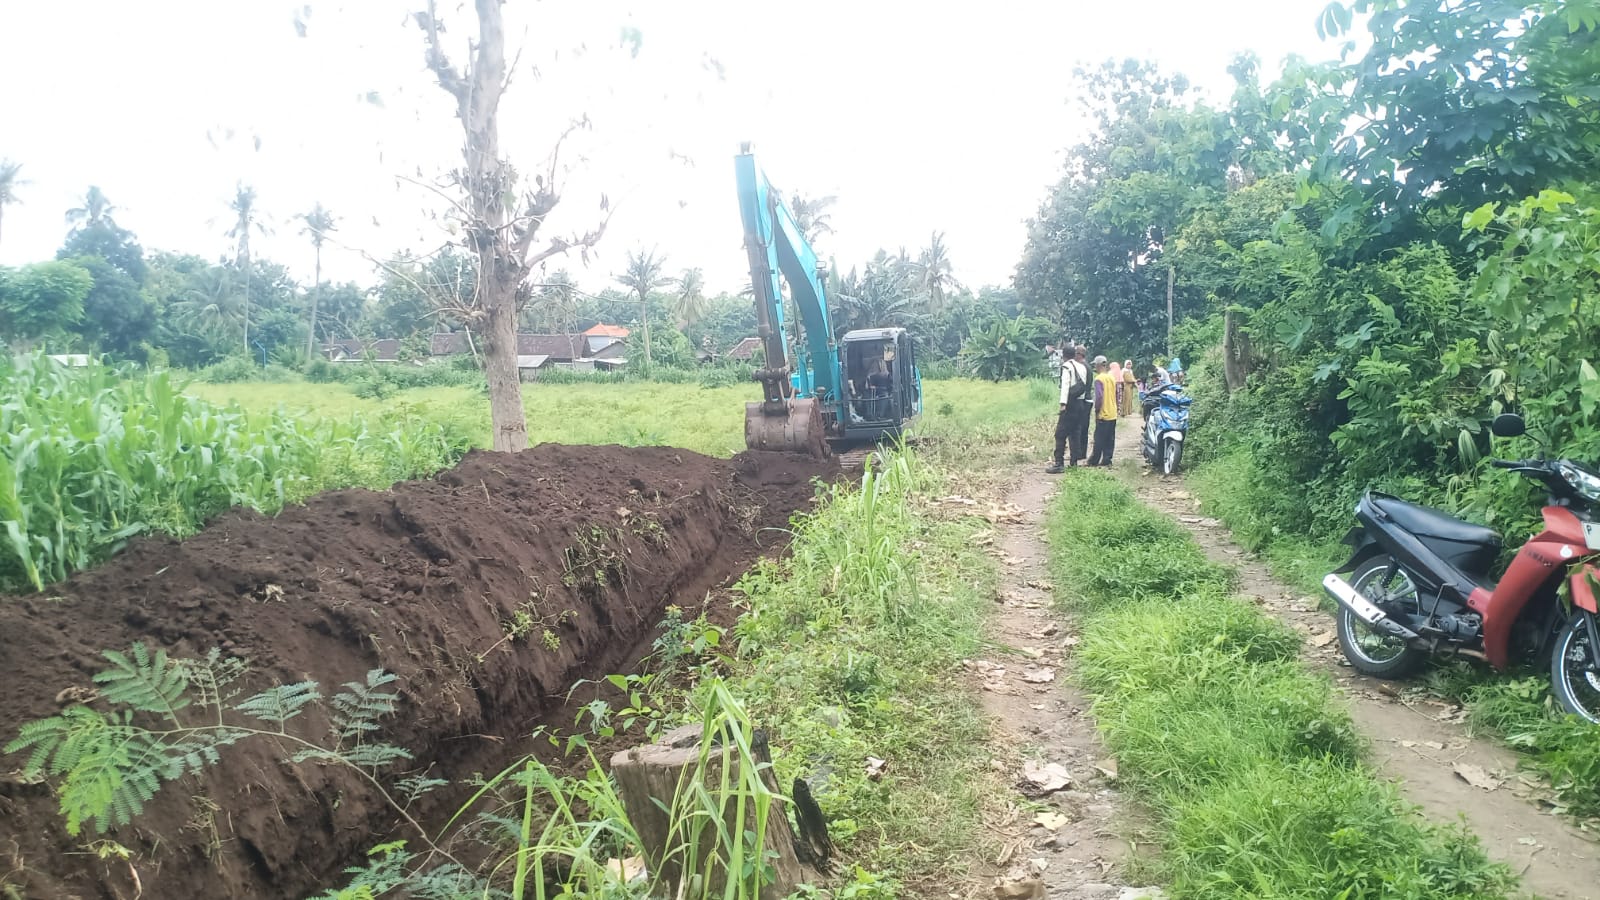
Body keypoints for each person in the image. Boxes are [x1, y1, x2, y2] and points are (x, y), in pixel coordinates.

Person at [1046, 344, 1091, 473]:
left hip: (1070, 404)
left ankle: (1059, 463)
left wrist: (1063, 404)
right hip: (1080, 404)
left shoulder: (1067, 367)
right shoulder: (1082, 367)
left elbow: (1065, 386)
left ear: (1063, 355)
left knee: (1060, 434)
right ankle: (1074, 462)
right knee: (1075, 433)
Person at [1086, 356, 1119, 466]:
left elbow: (1099, 397)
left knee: (1099, 438)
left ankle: (1094, 460)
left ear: (1098, 365)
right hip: (1112, 413)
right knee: (1110, 438)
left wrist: (1097, 410)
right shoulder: (1111, 378)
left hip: (1103, 414)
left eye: (1095, 364)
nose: (1094, 367)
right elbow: (1117, 394)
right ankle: (1107, 459)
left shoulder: (1099, 379)